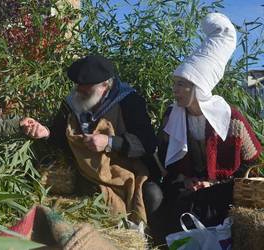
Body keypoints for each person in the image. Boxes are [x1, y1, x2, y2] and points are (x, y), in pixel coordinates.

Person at [157, 13, 262, 235]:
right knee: (176, 203)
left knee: (214, 204)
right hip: (185, 185)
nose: (175, 90)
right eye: (175, 83)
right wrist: (186, 179)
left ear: (199, 87)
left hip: (222, 186)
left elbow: (250, 160)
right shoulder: (172, 116)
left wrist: (213, 183)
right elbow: (166, 156)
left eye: (181, 84)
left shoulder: (230, 117)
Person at [48, 55, 162, 225]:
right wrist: (45, 132)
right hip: (86, 171)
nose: (80, 91)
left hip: (127, 169)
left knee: (153, 195)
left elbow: (147, 143)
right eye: (78, 87)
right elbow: (58, 137)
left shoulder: (129, 102)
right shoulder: (72, 103)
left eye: (87, 89)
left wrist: (109, 142)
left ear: (105, 85)